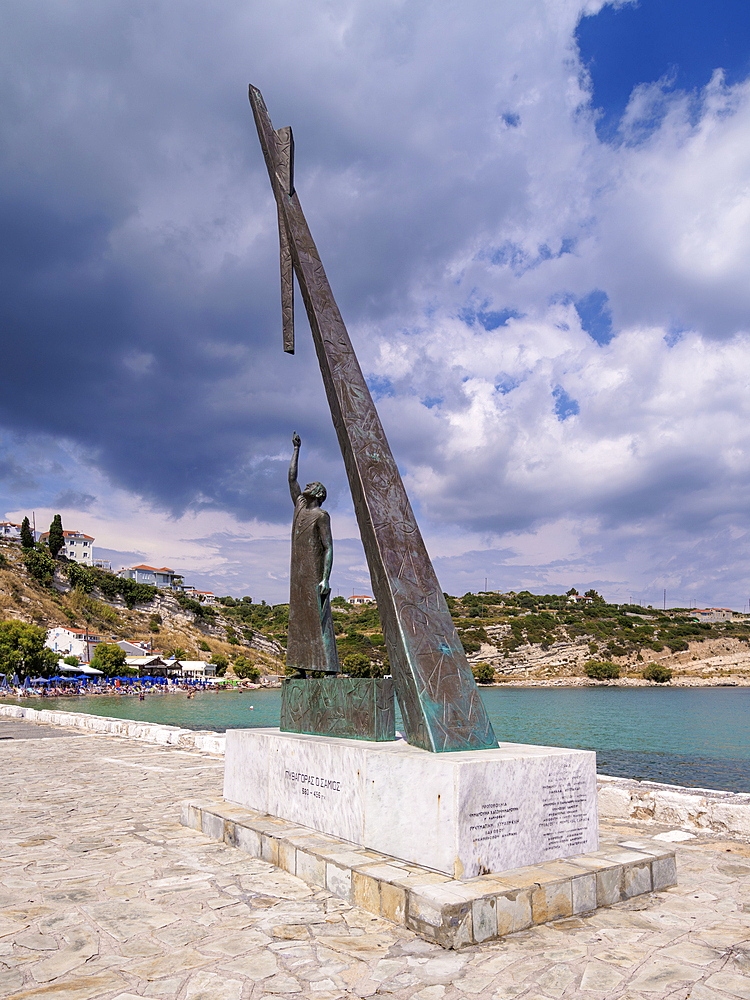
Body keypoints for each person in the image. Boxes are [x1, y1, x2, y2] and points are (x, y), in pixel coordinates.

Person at [287, 432, 340, 676]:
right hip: (297, 576)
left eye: (312, 486)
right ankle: (300, 667)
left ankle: (328, 667)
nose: (306, 486)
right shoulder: (299, 507)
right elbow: (292, 478)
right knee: (299, 622)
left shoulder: (321, 516)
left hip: (314, 575)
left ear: (319, 494)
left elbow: (328, 546)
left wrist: (325, 578)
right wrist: (296, 449)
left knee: (319, 620)